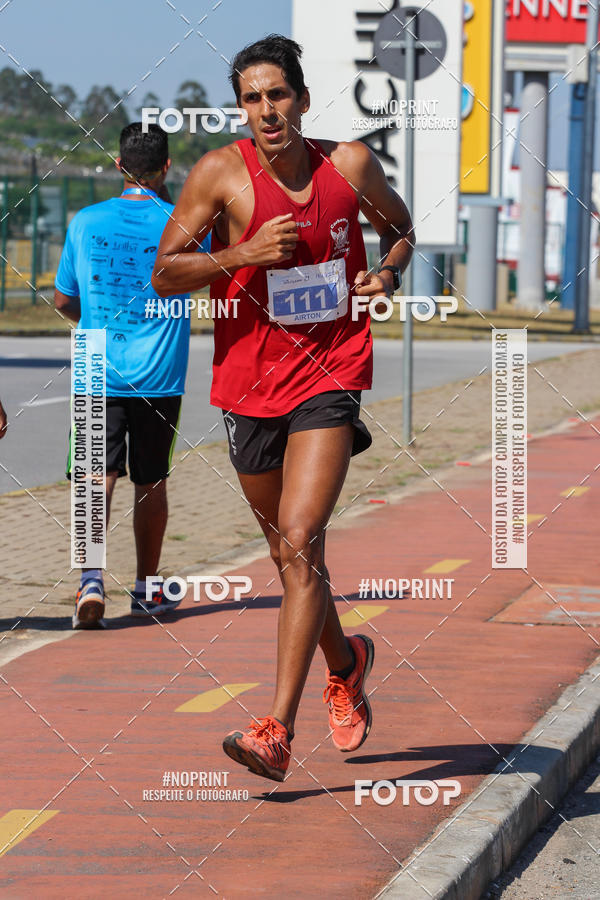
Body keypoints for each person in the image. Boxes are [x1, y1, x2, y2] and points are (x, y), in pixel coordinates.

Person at [152, 35, 413, 781]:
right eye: (252, 97)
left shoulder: (349, 165)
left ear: (301, 97)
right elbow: (165, 274)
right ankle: (348, 657)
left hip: (330, 372)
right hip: (248, 386)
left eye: (279, 94)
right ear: (242, 107)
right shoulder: (219, 175)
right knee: (287, 556)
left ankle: (276, 729)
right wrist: (241, 255)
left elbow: (399, 231)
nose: (267, 109)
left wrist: (387, 275)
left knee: (301, 540)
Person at [54, 122, 209, 629]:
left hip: (97, 367)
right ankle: (145, 589)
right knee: (151, 482)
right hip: (159, 376)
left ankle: (90, 581)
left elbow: (63, 300)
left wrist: (96, 322)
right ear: (168, 168)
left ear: (119, 167)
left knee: (94, 480)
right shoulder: (184, 223)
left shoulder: (85, 221)